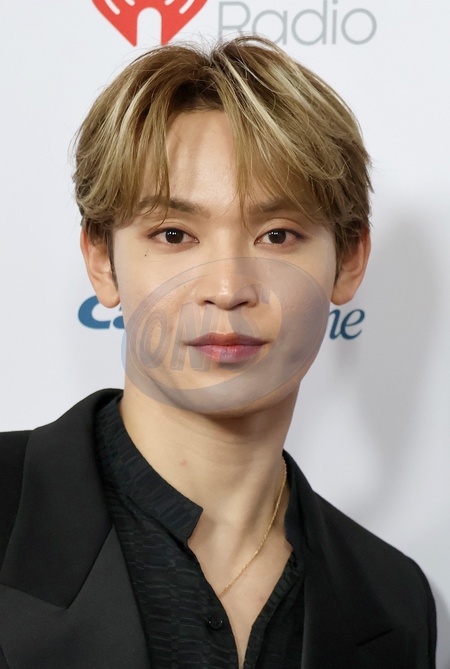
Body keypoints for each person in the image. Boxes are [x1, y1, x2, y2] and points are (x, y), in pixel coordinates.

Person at [0, 36, 436, 668]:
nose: (228, 289)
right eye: (174, 235)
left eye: (277, 235)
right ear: (101, 260)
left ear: (349, 260)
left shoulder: (393, 601)